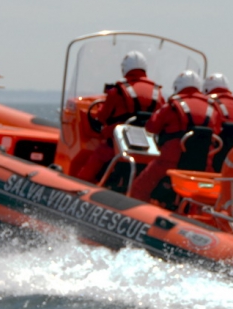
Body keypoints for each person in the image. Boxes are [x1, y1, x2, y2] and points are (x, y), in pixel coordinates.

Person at [129, 70, 223, 203]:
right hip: (202, 166)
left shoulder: (172, 106)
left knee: (140, 187)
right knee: (205, 195)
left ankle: (138, 215)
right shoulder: (213, 108)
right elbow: (217, 131)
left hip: (170, 162)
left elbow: (151, 127)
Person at [74, 51, 164, 183]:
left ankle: (80, 187)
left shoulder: (117, 91)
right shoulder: (158, 93)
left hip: (117, 146)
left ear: (124, 69)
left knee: (96, 160)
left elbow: (102, 116)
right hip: (148, 148)